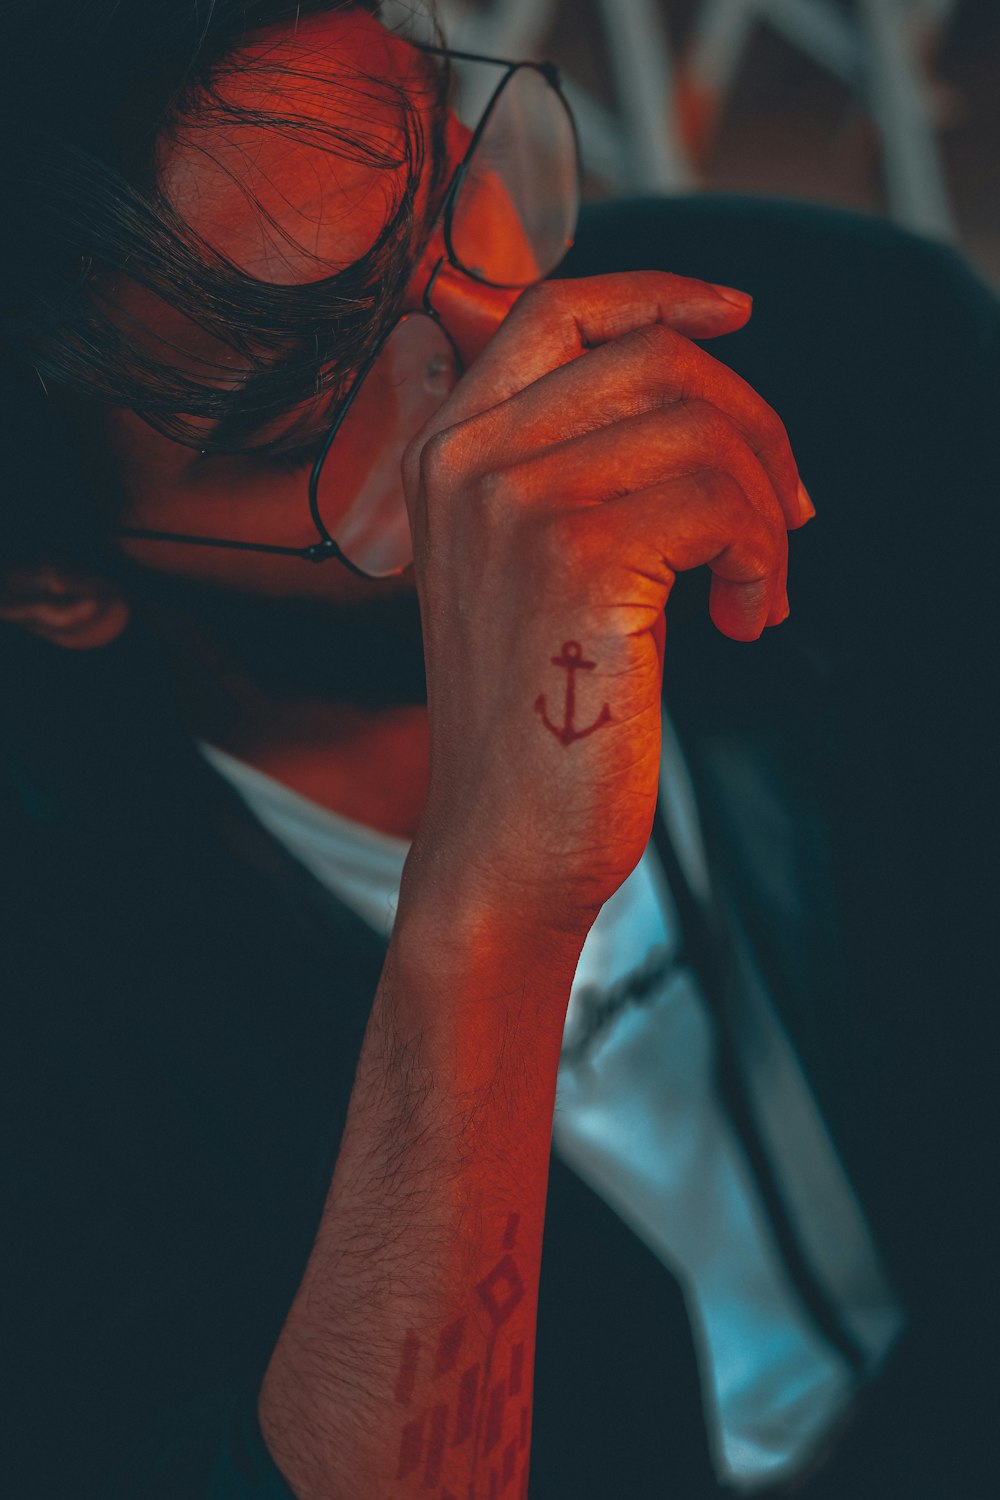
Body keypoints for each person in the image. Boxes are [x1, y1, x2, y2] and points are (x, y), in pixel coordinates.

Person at [2, 2, 997, 1497]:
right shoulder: (64, 994)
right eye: (313, 397)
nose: (502, 361)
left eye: (454, 195)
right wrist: (489, 926)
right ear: (57, 582)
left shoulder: (859, 355)